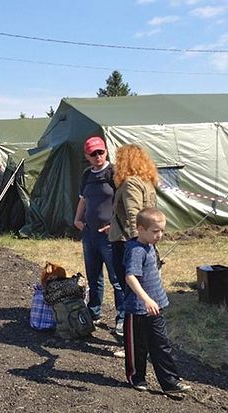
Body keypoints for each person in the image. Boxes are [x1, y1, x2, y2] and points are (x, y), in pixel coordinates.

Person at [123, 208, 191, 394]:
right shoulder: (136, 250)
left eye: (162, 231)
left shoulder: (151, 245)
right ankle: (136, 377)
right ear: (140, 229)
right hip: (137, 309)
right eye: (155, 231)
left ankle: (171, 382)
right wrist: (146, 299)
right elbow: (130, 277)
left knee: (161, 344)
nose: (159, 235)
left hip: (156, 306)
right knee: (138, 347)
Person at [73, 137, 123, 330]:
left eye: (100, 152)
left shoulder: (114, 172)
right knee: (93, 277)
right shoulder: (87, 174)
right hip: (89, 234)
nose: (98, 156)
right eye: (93, 153)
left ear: (106, 152)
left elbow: (123, 202)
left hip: (110, 235)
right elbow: (83, 199)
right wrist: (77, 219)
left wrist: (115, 225)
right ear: (87, 156)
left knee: (116, 278)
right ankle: (94, 313)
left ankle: (122, 317)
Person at [109, 144, 158, 336]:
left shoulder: (130, 183)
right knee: (143, 292)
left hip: (127, 243)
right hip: (143, 242)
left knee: (132, 295)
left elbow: (134, 214)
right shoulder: (147, 182)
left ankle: (133, 342)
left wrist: (136, 245)